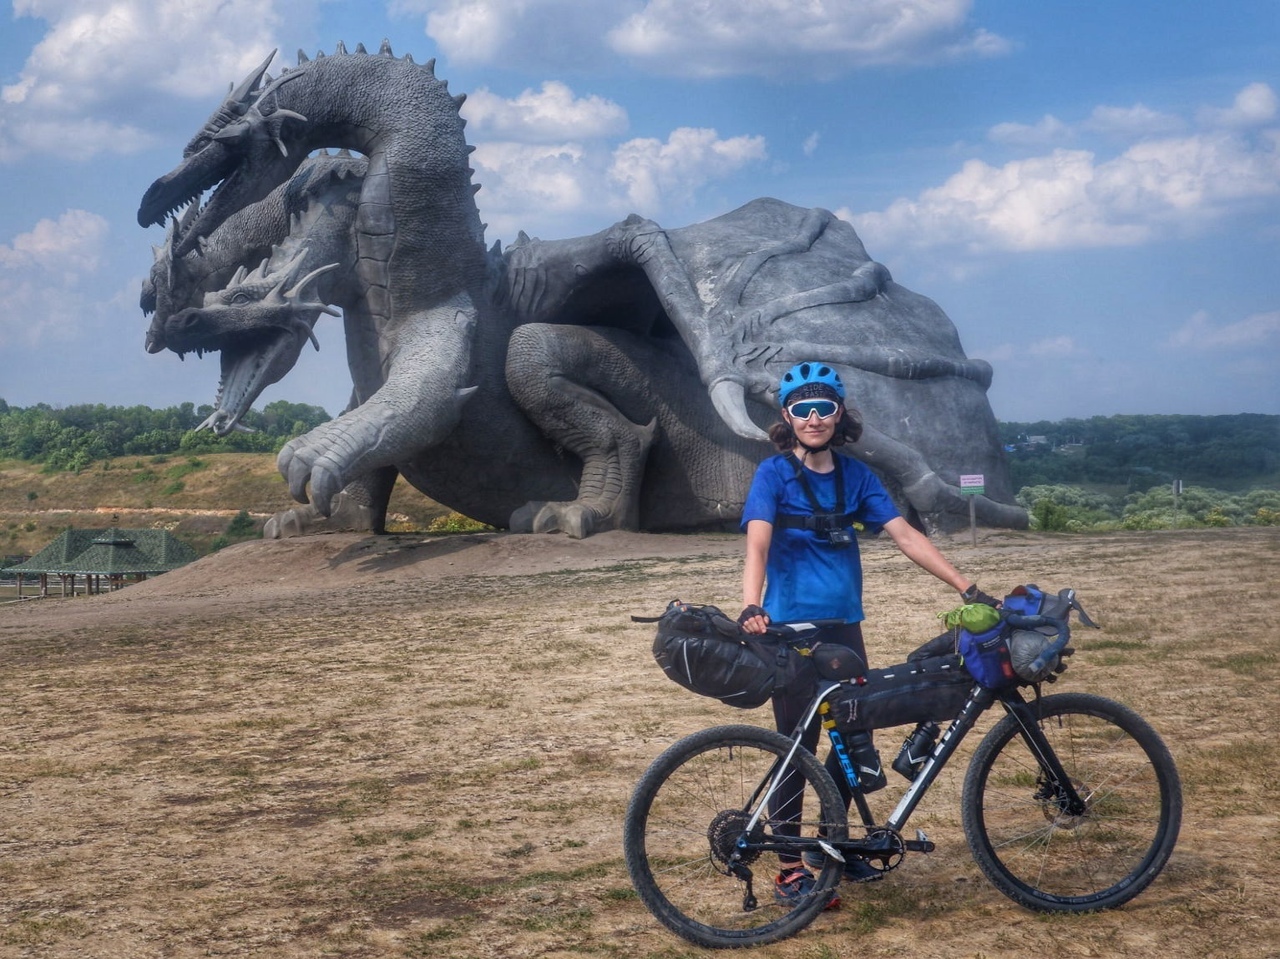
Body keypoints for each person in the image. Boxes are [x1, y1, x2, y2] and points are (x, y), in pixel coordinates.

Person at [739, 361, 995, 906]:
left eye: (824, 407)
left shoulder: (857, 477)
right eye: (802, 409)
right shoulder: (773, 475)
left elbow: (906, 536)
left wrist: (966, 587)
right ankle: (789, 867)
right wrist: (750, 605)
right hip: (789, 630)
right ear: (787, 416)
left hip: (844, 629)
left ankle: (828, 846)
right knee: (795, 747)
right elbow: (758, 542)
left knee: (855, 737)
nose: (813, 418)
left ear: (839, 413)